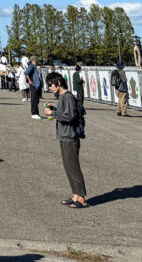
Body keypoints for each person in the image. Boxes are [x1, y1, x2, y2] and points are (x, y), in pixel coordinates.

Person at [43, 72, 87, 208]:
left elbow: (70, 116)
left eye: (51, 85)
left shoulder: (67, 96)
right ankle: (75, 195)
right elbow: (66, 113)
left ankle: (81, 198)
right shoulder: (63, 96)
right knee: (68, 167)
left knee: (73, 167)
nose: (50, 88)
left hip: (69, 136)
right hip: (64, 135)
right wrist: (54, 108)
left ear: (59, 83)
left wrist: (53, 113)